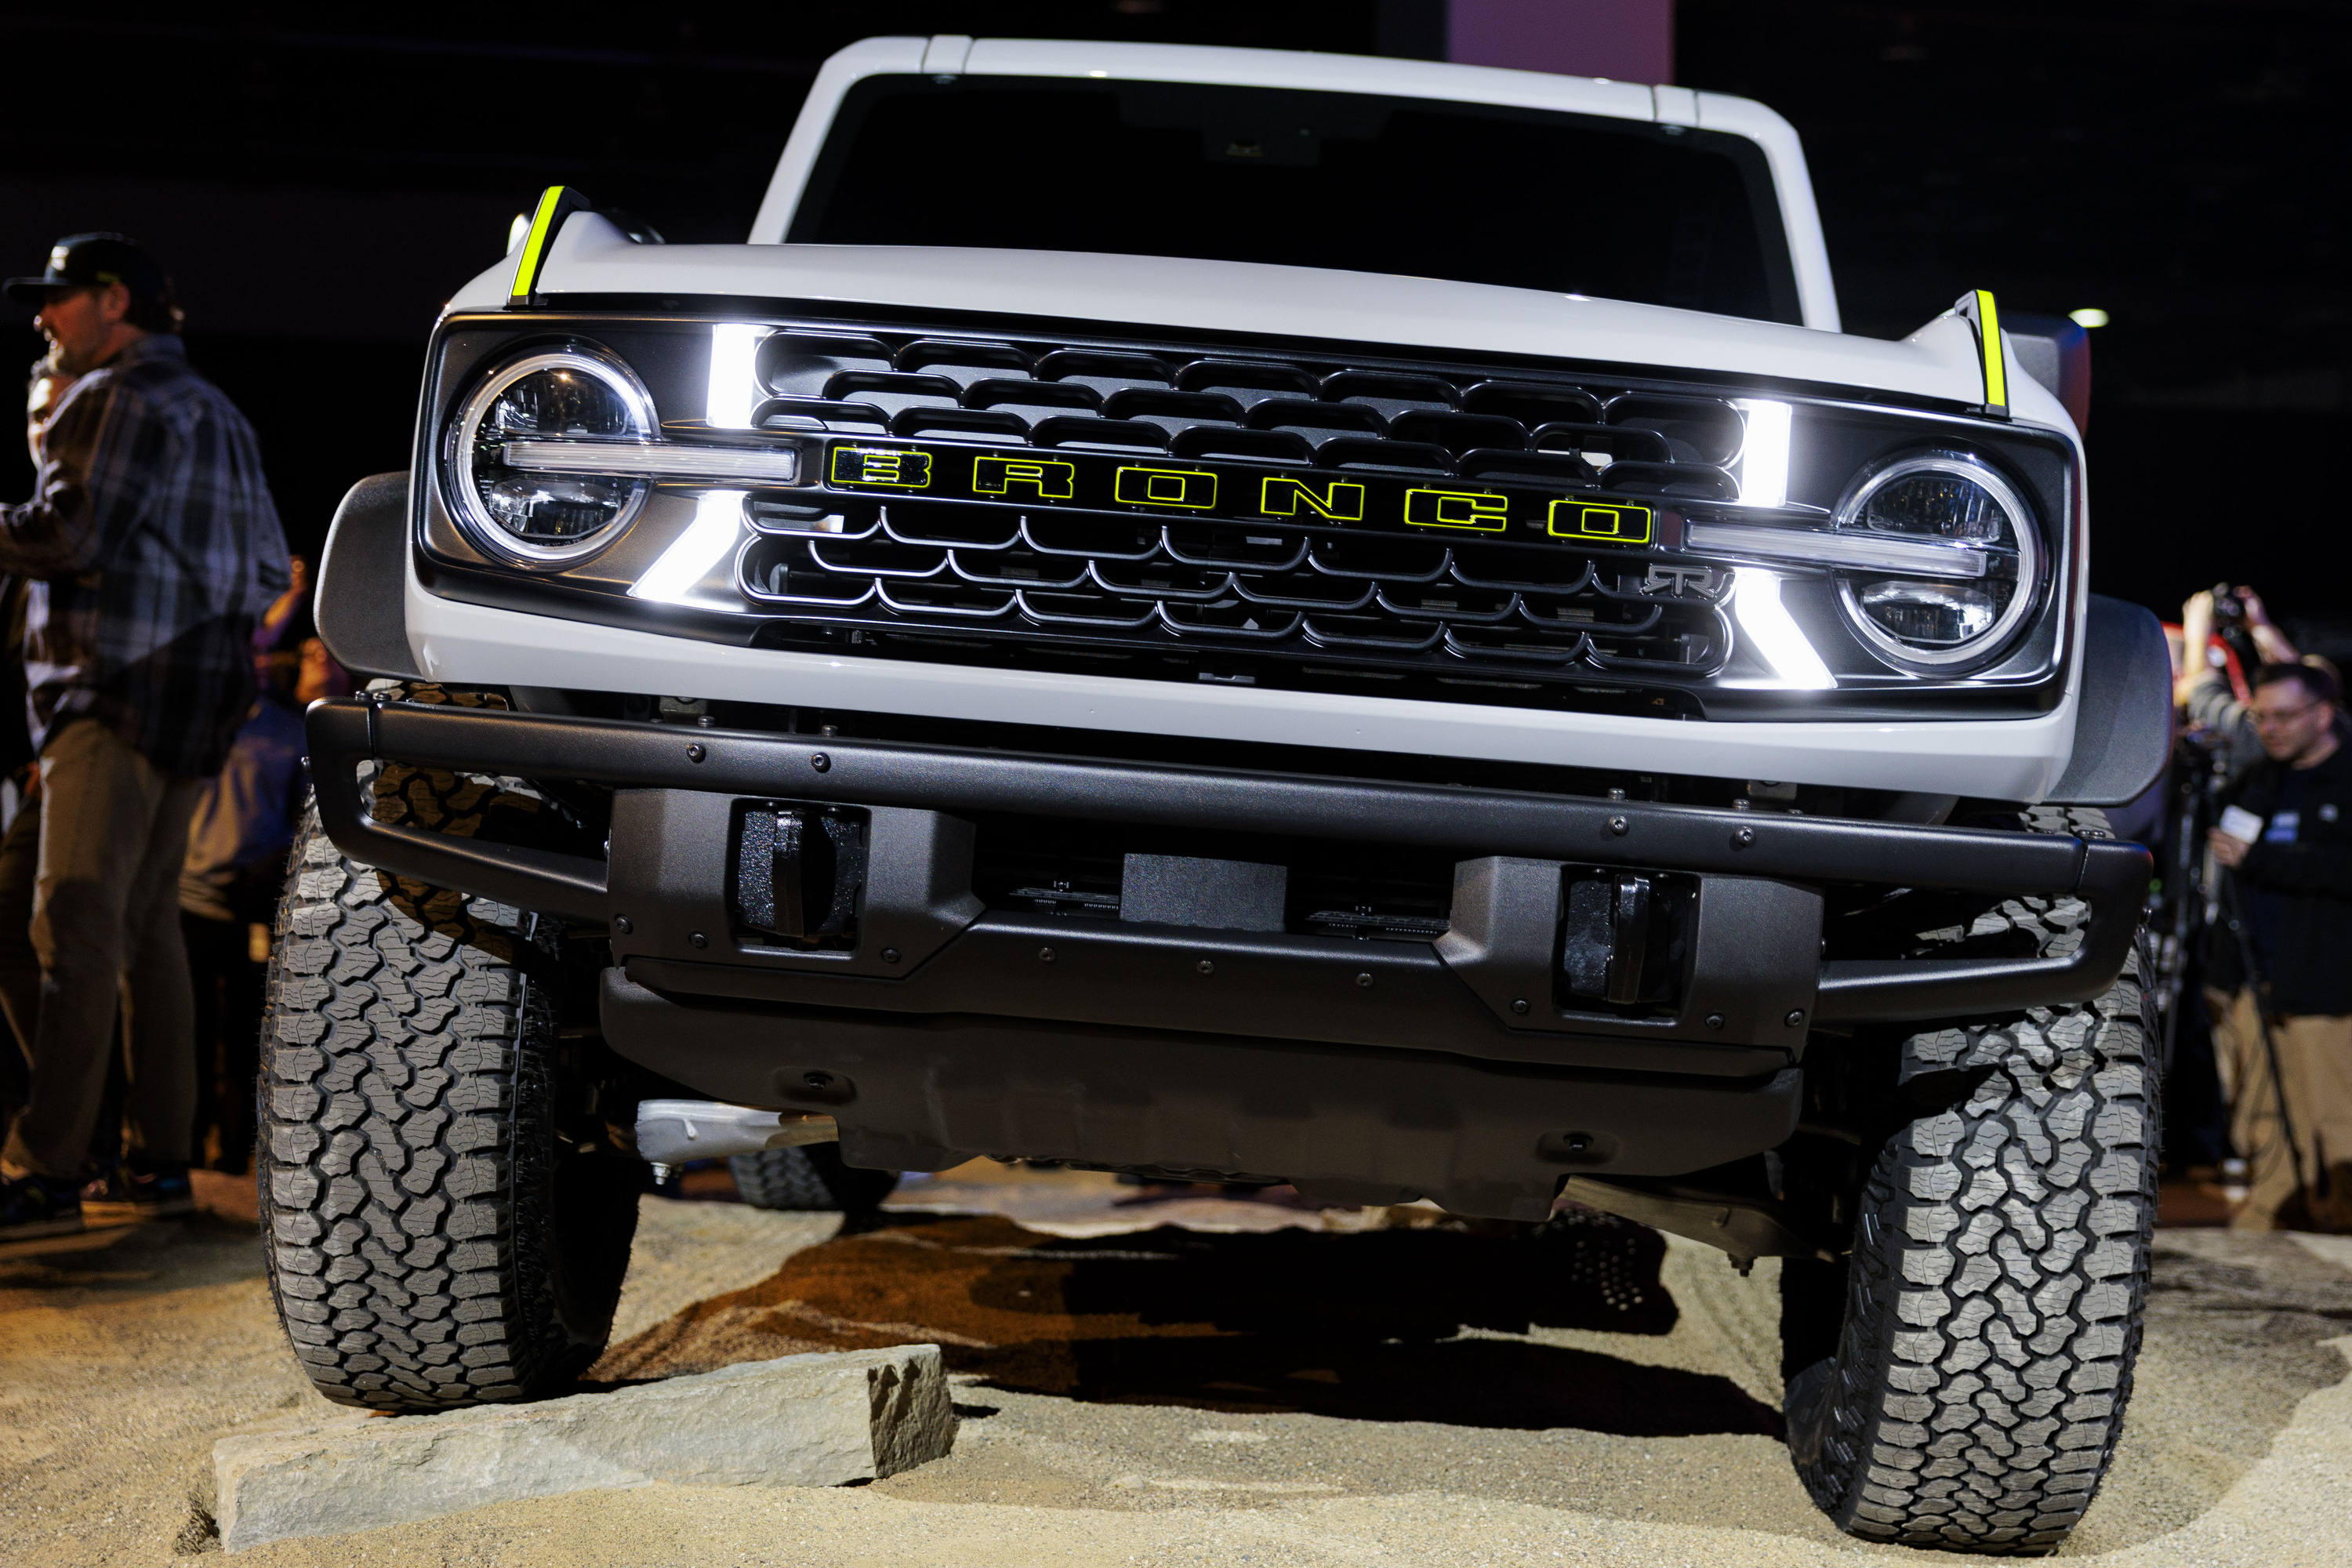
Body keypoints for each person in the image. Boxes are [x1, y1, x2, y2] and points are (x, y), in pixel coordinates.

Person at [0, 234, 291, 1240]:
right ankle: (160, 1163)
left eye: (58, 301)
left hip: (110, 694)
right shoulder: (220, 411)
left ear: (112, 299)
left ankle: (46, 1170)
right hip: (193, 711)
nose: (44, 319)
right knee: (144, 935)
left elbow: (69, 537)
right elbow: (266, 577)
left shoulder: (117, 397)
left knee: (62, 927)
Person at [2206, 659, 2352, 1230]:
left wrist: (2263, 859)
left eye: (2285, 716)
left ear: (2323, 714)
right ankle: (2269, 1217)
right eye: (2261, 717)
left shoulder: (2346, 778)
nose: (2271, 729)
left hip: (2326, 980)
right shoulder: (2257, 780)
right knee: (2262, 1108)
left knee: (2335, 1112)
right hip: (2253, 975)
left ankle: (2341, 1225)